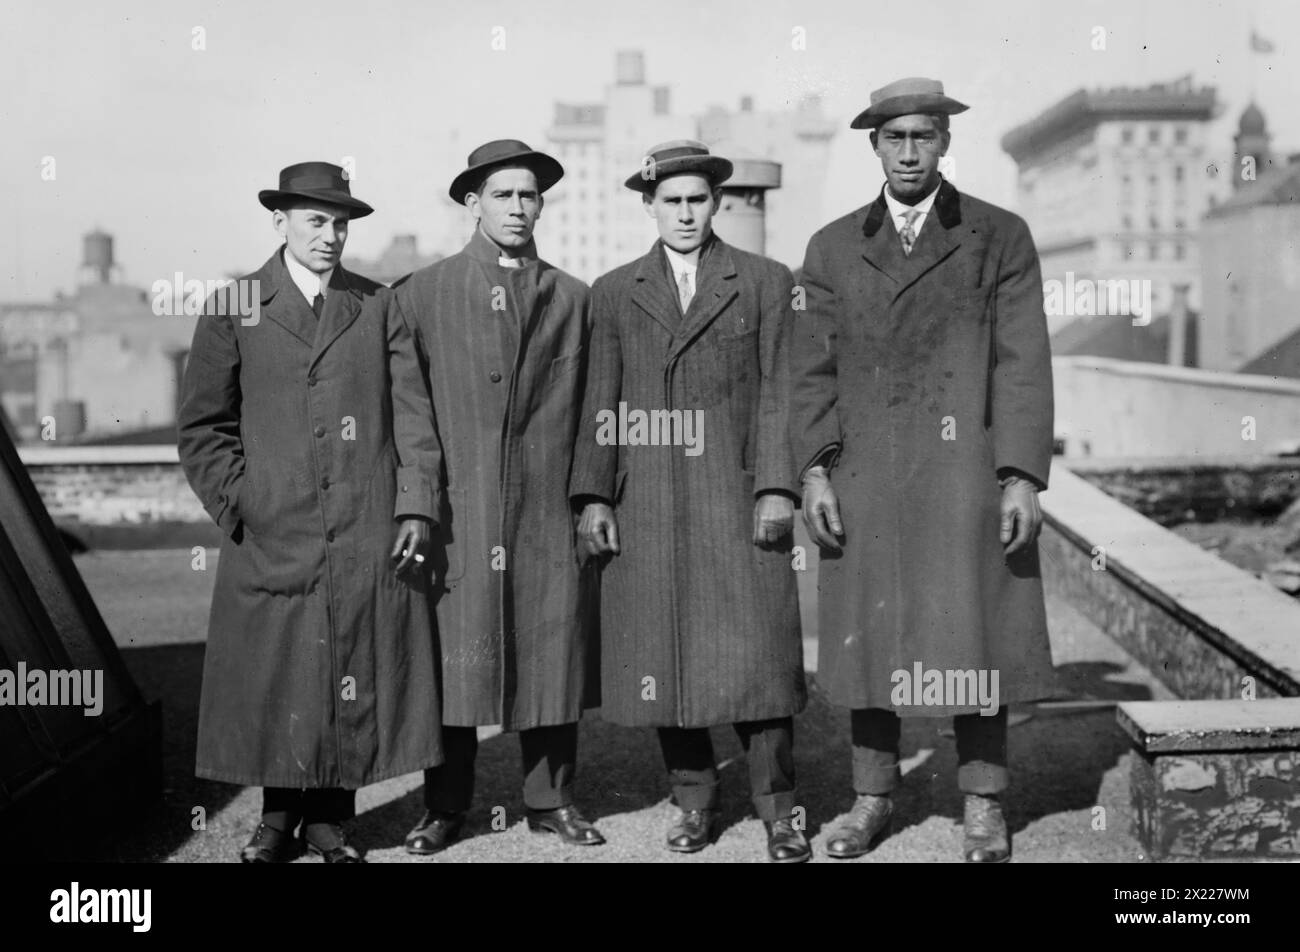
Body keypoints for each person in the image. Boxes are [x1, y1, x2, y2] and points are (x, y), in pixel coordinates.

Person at [790, 78, 1057, 863]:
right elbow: (810, 370)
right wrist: (812, 471)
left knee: (972, 637)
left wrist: (1019, 476)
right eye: (894, 137)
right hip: (866, 477)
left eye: (924, 136)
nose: (909, 151)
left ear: (946, 142)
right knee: (871, 643)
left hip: (965, 475)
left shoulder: (998, 235)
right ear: (873, 145)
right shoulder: (832, 247)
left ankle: (983, 805)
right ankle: (872, 798)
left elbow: (1022, 363)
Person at [177, 161, 444, 863]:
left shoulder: (380, 304)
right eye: (317, 220)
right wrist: (243, 502)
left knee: (346, 665)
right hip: (273, 528)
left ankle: (330, 820)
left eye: (341, 223)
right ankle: (275, 822)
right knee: (278, 672)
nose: (331, 235)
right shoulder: (234, 305)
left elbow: (414, 418)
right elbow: (204, 427)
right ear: (281, 221)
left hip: (364, 523)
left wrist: (414, 506)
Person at [572, 141, 809, 863]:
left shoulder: (765, 281)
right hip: (647, 501)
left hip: (735, 500)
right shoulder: (613, 291)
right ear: (649, 206)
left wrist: (776, 486)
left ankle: (779, 811)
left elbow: (782, 394)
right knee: (664, 656)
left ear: (716, 203)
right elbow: (599, 404)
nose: (684, 213)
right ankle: (694, 801)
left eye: (697, 200)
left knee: (760, 660)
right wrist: (593, 495)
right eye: (670, 201)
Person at [394, 140, 604, 854]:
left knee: (551, 650)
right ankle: (444, 806)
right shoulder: (422, 294)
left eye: (530, 195)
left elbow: (594, 410)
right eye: (504, 195)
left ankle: (551, 801)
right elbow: (410, 413)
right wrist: (419, 503)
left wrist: (589, 499)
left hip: (546, 512)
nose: (518, 207)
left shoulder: (573, 298)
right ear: (472, 204)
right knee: (455, 658)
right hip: (461, 510)